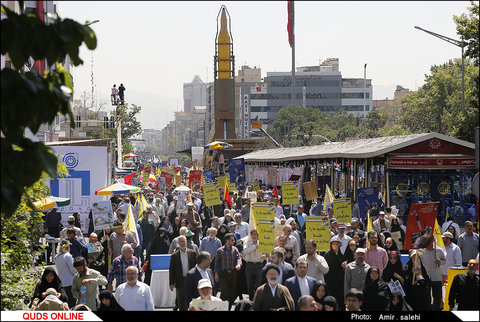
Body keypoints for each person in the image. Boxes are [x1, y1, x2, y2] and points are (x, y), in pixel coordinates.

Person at [169, 235, 197, 311]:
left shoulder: (193, 253)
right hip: (180, 281)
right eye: (180, 241)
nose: (182, 243)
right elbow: (172, 270)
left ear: (186, 242)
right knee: (181, 301)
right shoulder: (174, 255)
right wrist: (171, 283)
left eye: (183, 241)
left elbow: (196, 267)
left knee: (191, 301)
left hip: (191, 281)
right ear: (178, 243)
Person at [214, 233, 242, 309]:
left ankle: (228, 308)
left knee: (231, 293)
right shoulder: (220, 250)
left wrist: (239, 264)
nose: (234, 241)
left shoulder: (235, 249)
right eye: (232, 240)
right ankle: (221, 309)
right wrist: (216, 275)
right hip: (223, 274)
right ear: (227, 241)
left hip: (232, 274)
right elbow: (216, 264)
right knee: (224, 293)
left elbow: (239, 258)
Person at [418, 243, 447, 311]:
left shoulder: (439, 250)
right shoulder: (421, 250)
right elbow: (412, 253)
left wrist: (440, 262)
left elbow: (444, 260)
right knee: (426, 296)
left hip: (436, 276)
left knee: (437, 297)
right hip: (426, 277)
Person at [242, 228, 265, 301]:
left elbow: (266, 252)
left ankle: (257, 300)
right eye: (253, 234)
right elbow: (245, 251)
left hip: (259, 265)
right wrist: (254, 246)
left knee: (259, 284)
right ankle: (251, 301)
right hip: (250, 265)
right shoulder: (247, 242)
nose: (254, 236)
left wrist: (264, 257)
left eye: (256, 234)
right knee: (250, 284)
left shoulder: (262, 242)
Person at [324, 235, 345, 308]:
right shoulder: (327, 254)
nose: (335, 246)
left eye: (337, 244)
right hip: (330, 278)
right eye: (334, 244)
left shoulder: (341, 255)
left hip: (339, 279)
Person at [55, 240, 77, 308]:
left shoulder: (57, 256)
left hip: (61, 282)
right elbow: (73, 269)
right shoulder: (67, 256)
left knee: (65, 303)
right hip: (70, 282)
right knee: (72, 303)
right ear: (67, 247)